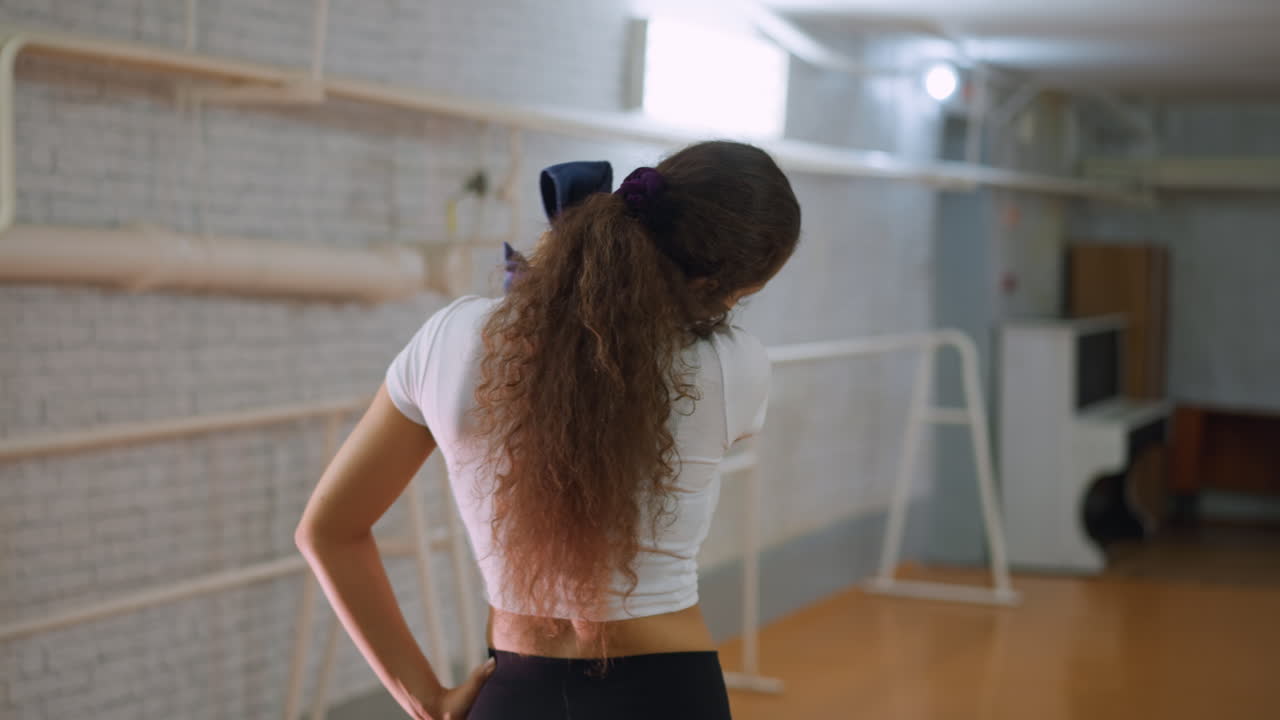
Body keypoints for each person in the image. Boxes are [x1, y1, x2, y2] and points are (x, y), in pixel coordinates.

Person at [295, 140, 801, 720]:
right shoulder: (735, 367)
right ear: (723, 283)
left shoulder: (450, 338)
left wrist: (426, 698)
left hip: (514, 694)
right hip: (669, 692)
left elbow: (327, 531)